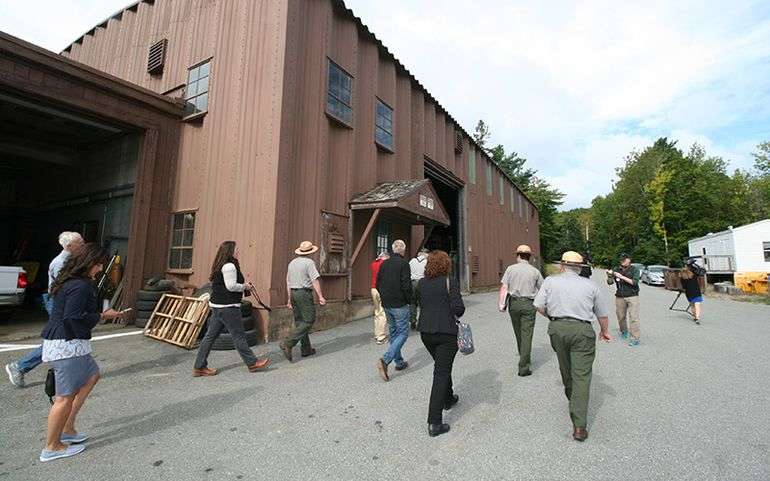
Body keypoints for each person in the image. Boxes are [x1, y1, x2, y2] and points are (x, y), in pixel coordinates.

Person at [39, 243, 124, 462]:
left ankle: (67, 427)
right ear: (89, 263)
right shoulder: (80, 286)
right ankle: (52, 446)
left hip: (69, 342)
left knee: (91, 375)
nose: (100, 269)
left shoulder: (71, 282)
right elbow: (72, 316)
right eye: (98, 265)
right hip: (67, 343)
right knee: (64, 397)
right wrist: (101, 316)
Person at [533, 251, 611, 442]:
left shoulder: (550, 281)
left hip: (558, 328)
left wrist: (552, 317)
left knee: (566, 369)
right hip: (582, 329)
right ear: (580, 268)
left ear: (562, 266)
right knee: (582, 376)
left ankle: (573, 399)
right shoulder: (591, 285)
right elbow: (602, 314)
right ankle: (579, 426)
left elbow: (538, 306)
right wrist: (604, 331)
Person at [5, 231, 84, 388]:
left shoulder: (72, 260)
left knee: (67, 338)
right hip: (58, 303)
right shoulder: (60, 263)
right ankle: (20, 366)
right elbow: (65, 289)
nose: (83, 243)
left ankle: (72, 372)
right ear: (69, 246)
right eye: (80, 242)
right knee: (58, 340)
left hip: (62, 303)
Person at [193, 241, 270, 376]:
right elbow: (231, 286)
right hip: (228, 307)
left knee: (210, 337)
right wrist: (245, 286)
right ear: (231, 251)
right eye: (236, 249)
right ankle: (252, 363)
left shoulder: (221, 264)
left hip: (217, 306)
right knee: (239, 336)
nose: (238, 251)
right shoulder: (229, 266)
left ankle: (199, 366)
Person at [416, 250, 465, 437]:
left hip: (426, 333)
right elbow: (459, 309)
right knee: (441, 372)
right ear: (446, 265)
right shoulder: (449, 282)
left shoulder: (421, 283)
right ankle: (434, 422)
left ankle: (448, 398)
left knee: (442, 366)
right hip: (446, 333)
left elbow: (420, 303)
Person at [498, 244, 543, 376]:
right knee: (527, 334)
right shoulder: (535, 271)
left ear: (518, 255)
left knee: (518, 332)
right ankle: (524, 365)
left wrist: (502, 305)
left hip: (514, 304)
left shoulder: (510, 269)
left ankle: (523, 356)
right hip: (529, 304)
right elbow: (543, 288)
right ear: (529, 257)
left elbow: (504, 287)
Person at [280, 241, 326, 362]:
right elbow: (315, 280)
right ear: (311, 251)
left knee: (300, 321)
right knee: (309, 319)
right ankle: (288, 343)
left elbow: (288, 282)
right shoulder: (309, 263)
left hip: (294, 293)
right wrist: (320, 296)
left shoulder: (292, 263)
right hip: (304, 293)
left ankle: (306, 349)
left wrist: (289, 299)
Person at [375, 239, 412, 381]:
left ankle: (399, 362)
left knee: (394, 332)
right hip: (399, 303)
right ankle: (385, 359)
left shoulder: (384, 264)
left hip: (387, 302)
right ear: (403, 250)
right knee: (403, 332)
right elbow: (406, 285)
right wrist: (408, 300)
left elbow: (378, 283)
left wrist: (384, 295)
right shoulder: (404, 264)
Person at [607, 253, 641, 346]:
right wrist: (609, 276)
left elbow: (634, 282)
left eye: (624, 260)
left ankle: (635, 338)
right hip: (620, 296)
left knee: (634, 317)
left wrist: (621, 277)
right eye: (621, 260)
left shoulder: (634, 269)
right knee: (620, 316)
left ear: (629, 259)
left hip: (632, 295)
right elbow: (610, 283)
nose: (622, 261)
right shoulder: (616, 269)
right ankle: (624, 331)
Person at [370, 250, 389, 344]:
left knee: (377, 312)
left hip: (373, 289)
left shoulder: (374, 264)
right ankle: (381, 336)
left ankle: (377, 333)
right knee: (383, 313)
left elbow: (375, 261)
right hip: (382, 289)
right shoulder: (385, 265)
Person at [408, 247, 429, 329]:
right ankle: (421, 322)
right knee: (423, 304)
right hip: (422, 283)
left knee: (413, 302)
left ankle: (413, 320)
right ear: (426, 254)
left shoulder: (412, 261)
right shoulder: (427, 262)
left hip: (412, 282)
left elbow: (408, 272)